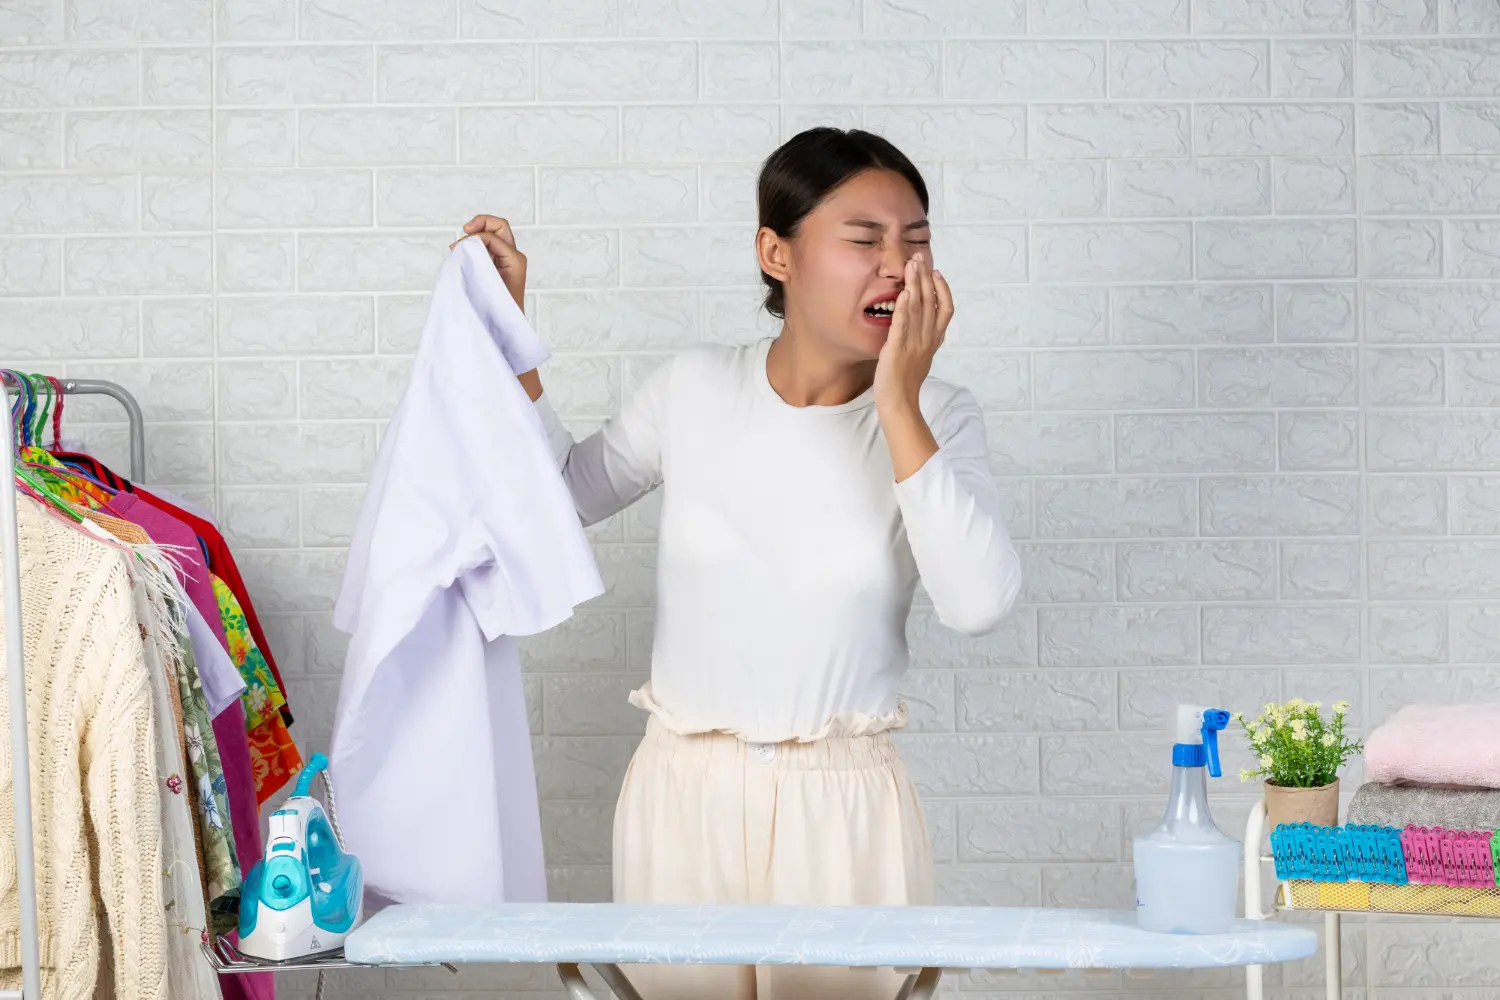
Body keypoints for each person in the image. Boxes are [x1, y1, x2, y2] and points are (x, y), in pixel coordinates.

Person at [454, 127, 1023, 1000]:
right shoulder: (693, 388)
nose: (898, 268)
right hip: (683, 799)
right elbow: (560, 499)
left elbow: (978, 600)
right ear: (776, 253)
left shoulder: (940, 414)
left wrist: (900, 402)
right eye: (865, 240)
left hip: (845, 815)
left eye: (917, 241)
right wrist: (510, 337)